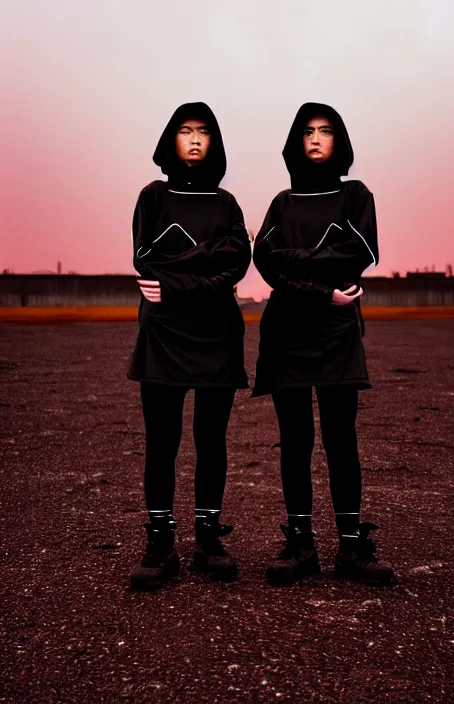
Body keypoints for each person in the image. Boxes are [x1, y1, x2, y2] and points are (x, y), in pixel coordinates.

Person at [252, 102, 394, 586]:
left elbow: (361, 251)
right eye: (307, 131)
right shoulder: (282, 203)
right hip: (288, 332)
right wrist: (322, 287)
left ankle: (351, 549)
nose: (315, 138)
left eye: (325, 131)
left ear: (340, 141)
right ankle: (300, 545)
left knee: (340, 438)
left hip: (336, 334)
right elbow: (265, 262)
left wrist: (298, 265)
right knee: (295, 441)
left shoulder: (355, 196)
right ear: (296, 141)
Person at [127, 102, 251, 589]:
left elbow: (238, 260)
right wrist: (209, 261)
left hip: (218, 335)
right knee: (161, 442)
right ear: (171, 139)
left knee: (210, 440)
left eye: (204, 132)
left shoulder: (227, 203)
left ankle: (207, 537)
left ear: (215, 142)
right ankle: (160, 542)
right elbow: (147, 257)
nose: (195, 139)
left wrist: (185, 279)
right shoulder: (153, 196)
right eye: (186, 131)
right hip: (163, 335)